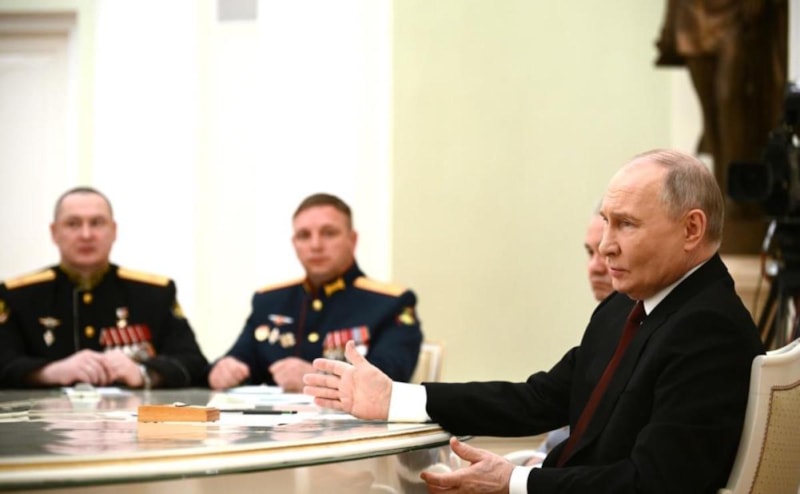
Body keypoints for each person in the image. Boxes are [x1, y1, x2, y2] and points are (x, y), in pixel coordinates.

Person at [303, 150, 765, 493]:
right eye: (606, 222)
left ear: (691, 229)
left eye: (626, 224)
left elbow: (654, 484)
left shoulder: (710, 330)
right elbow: (539, 398)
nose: (606, 246)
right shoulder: (628, 306)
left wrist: (515, 482)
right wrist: (395, 397)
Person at [208, 193, 423, 392]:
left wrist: (319, 376)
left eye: (329, 233)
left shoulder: (390, 303)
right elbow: (239, 359)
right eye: (304, 235)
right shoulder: (270, 301)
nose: (316, 245)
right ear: (294, 244)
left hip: (351, 420)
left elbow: (393, 377)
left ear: (353, 239)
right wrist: (222, 371)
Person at [0, 186, 209, 389]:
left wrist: (143, 373)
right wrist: (50, 372)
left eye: (97, 223)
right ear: (54, 232)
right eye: (73, 224)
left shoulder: (154, 294)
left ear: (114, 231)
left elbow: (194, 363)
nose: (86, 234)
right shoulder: (19, 296)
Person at [518, 209, 615, 466]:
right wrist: (535, 459)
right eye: (590, 253)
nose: (595, 267)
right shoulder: (605, 326)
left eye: (607, 253)